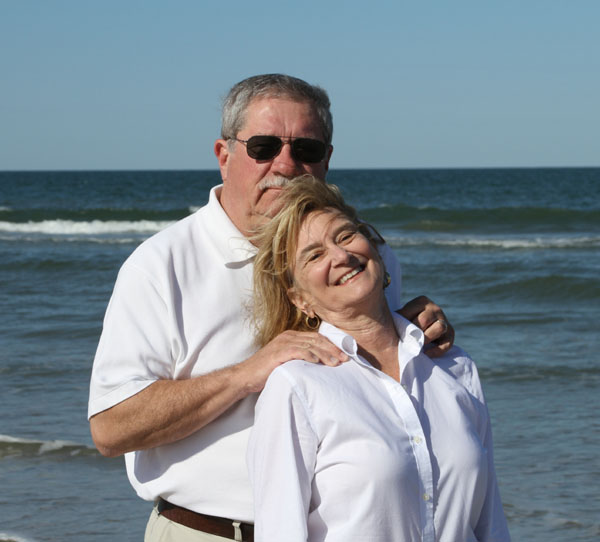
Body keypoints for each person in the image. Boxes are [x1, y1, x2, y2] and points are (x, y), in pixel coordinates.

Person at [88, 74, 454, 542]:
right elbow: (111, 428)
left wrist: (418, 335)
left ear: (327, 159)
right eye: (263, 147)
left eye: (306, 149)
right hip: (215, 532)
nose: (285, 164)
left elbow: (383, 388)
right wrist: (246, 375)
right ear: (224, 156)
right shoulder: (163, 265)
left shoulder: (361, 256)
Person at [247, 175, 510, 541]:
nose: (341, 256)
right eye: (315, 255)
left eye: (345, 236)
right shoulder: (297, 386)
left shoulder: (455, 367)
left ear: (375, 250)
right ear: (299, 298)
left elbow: (489, 522)